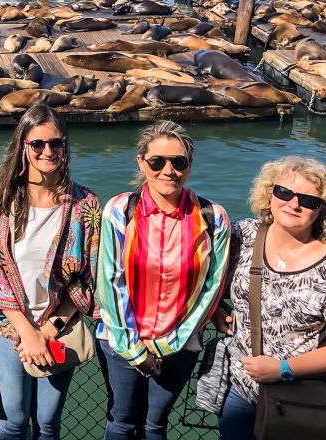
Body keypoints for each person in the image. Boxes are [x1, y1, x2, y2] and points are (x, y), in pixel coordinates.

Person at [96, 120, 230, 440]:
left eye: (178, 162)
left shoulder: (213, 218)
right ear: (142, 162)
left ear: (189, 165)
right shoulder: (119, 210)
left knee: (156, 423)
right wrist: (135, 349)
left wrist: (172, 342)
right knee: (121, 420)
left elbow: (211, 289)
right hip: (121, 340)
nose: (168, 171)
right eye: (157, 162)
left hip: (180, 345)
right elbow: (109, 281)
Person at [0, 104, 101, 440]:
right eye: (38, 144)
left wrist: (48, 328)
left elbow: (88, 275)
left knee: (47, 421)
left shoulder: (85, 205)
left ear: (65, 147)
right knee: (14, 420)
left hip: (58, 325)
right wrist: (27, 333)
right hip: (7, 326)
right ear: (23, 147)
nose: (48, 151)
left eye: (56, 143)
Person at [215, 156, 326, 440]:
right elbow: (196, 273)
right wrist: (214, 310)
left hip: (305, 399)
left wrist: (283, 369)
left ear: (322, 210)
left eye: (309, 201)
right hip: (243, 391)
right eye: (284, 192)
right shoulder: (242, 236)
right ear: (269, 194)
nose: (294, 204)